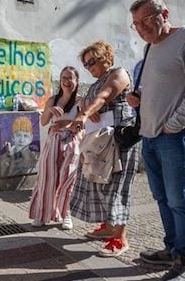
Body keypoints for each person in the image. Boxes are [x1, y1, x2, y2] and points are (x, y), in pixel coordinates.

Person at [127, 0, 185, 281]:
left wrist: (173, 125)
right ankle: (172, 250)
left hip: (173, 136)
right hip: (149, 136)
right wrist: (138, 101)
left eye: (147, 20)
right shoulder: (151, 46)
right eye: (136, 24)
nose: (141, 28)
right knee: (162, 198)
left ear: (164, 13)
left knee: (179, 200)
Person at [69, 40, 139, 256]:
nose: (89, 67)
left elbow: (105, 95)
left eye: (91, 62)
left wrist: (84, 113)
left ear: (104, 58)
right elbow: (88, 99)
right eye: (86, 64)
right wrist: (85, 107)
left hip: (119, 141)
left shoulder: (119, 74)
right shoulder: (96, 82)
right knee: (100, 184)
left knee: (118, 187)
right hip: (99, 143)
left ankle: (120, 238)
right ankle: (108, 227)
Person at [29, 66, 82, 230]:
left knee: (68, 179)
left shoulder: (81, 100)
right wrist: (50, 110)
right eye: (64, 78)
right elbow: (44, 122)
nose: (66, 82)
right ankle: (42, 214)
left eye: (70, 78)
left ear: (77, 81)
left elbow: (83, 122)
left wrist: (67, 124)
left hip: (72, 141)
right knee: (47, 177)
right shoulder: (53, 100)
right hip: (53, 141)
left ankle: (66, 214)